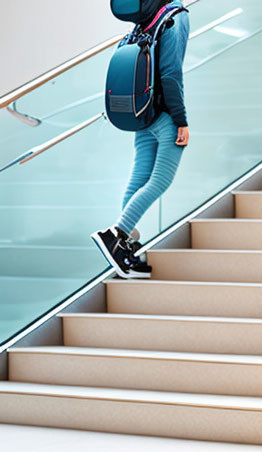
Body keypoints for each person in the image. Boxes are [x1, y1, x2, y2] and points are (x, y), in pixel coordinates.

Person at [91, 0, 190, 279]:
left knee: (139, 177)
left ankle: (127, 252)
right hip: (164, 114)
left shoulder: (143, 21)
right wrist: (181, 120)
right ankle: (116, 235)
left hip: (141, 111)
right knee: (161, 179)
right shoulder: (175, 17)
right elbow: (171, 74)